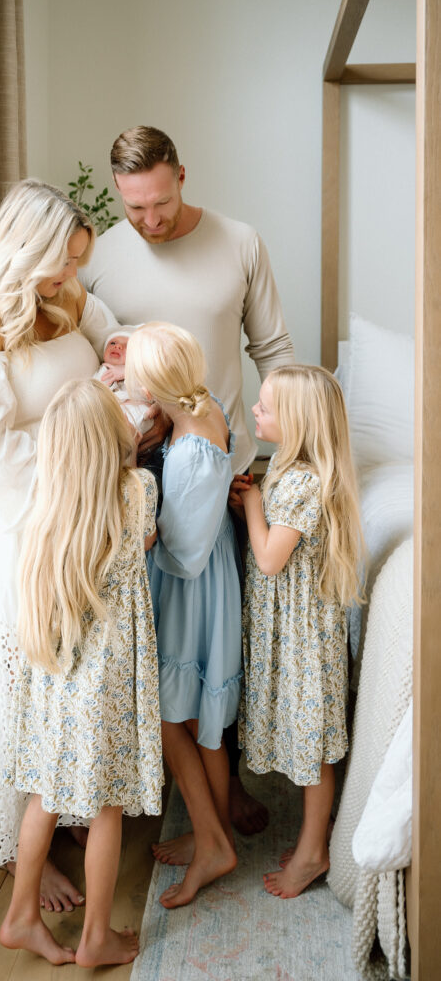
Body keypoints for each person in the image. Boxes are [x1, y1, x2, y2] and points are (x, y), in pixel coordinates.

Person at [79, 124, 295, 837]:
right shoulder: (102, 257)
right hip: (132, 484)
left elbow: (274, 350)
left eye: (160, 203)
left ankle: (222, 789)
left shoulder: (239, 243)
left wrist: (295, 450)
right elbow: (89, 359)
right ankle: (140, 792)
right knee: (152, 651)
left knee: (215, 644)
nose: (149, 221)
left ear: (181, 175)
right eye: (134, 207)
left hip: (218, 474)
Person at [0, 179, 120, 912]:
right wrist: (78, 449)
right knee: (26, 679)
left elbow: (114, 348)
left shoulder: (68, 297)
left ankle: (69, 808)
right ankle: (24, 848)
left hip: (87, 517)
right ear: (26, 251)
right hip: (22, 525)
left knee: (76, 674)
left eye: (79, 264)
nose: (72, 279)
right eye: (62, 264)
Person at [0, 378, 162, 966]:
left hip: (53, 672)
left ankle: (20, 915)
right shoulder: (137, 490)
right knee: (106, 807)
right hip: (106, 682)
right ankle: (95, 935)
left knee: (46, 792)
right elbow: (145, 542)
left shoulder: (47, 499)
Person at [124, 322, 242, 909]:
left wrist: (131, 536)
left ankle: (212, 843)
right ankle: (209, 830)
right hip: (202, 571)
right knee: (200, 723)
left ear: (152, 384)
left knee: (173, 718)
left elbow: (182, 550)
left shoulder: (192, 452)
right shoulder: (201, 404)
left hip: (188, 586)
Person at [237, 365, 363, 898]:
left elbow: (269, 559)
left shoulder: (306, 483)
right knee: (306, 740)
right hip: (292, 631)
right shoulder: (292, 472)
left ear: (298, 422)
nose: (256, 412)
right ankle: (315, 836)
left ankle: (314, 851)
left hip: (303, 639)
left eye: (265, 408)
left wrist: (249, 507)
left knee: (311, 747)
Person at [93, 327, 154, 434]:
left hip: (141, 412)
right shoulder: (104, 370)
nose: (118, 346)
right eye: (112, 343)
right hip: (115, 413)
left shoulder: (141, 372)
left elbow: (149, 392)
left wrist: (128, 372)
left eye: (128, 346)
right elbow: (94, 394)